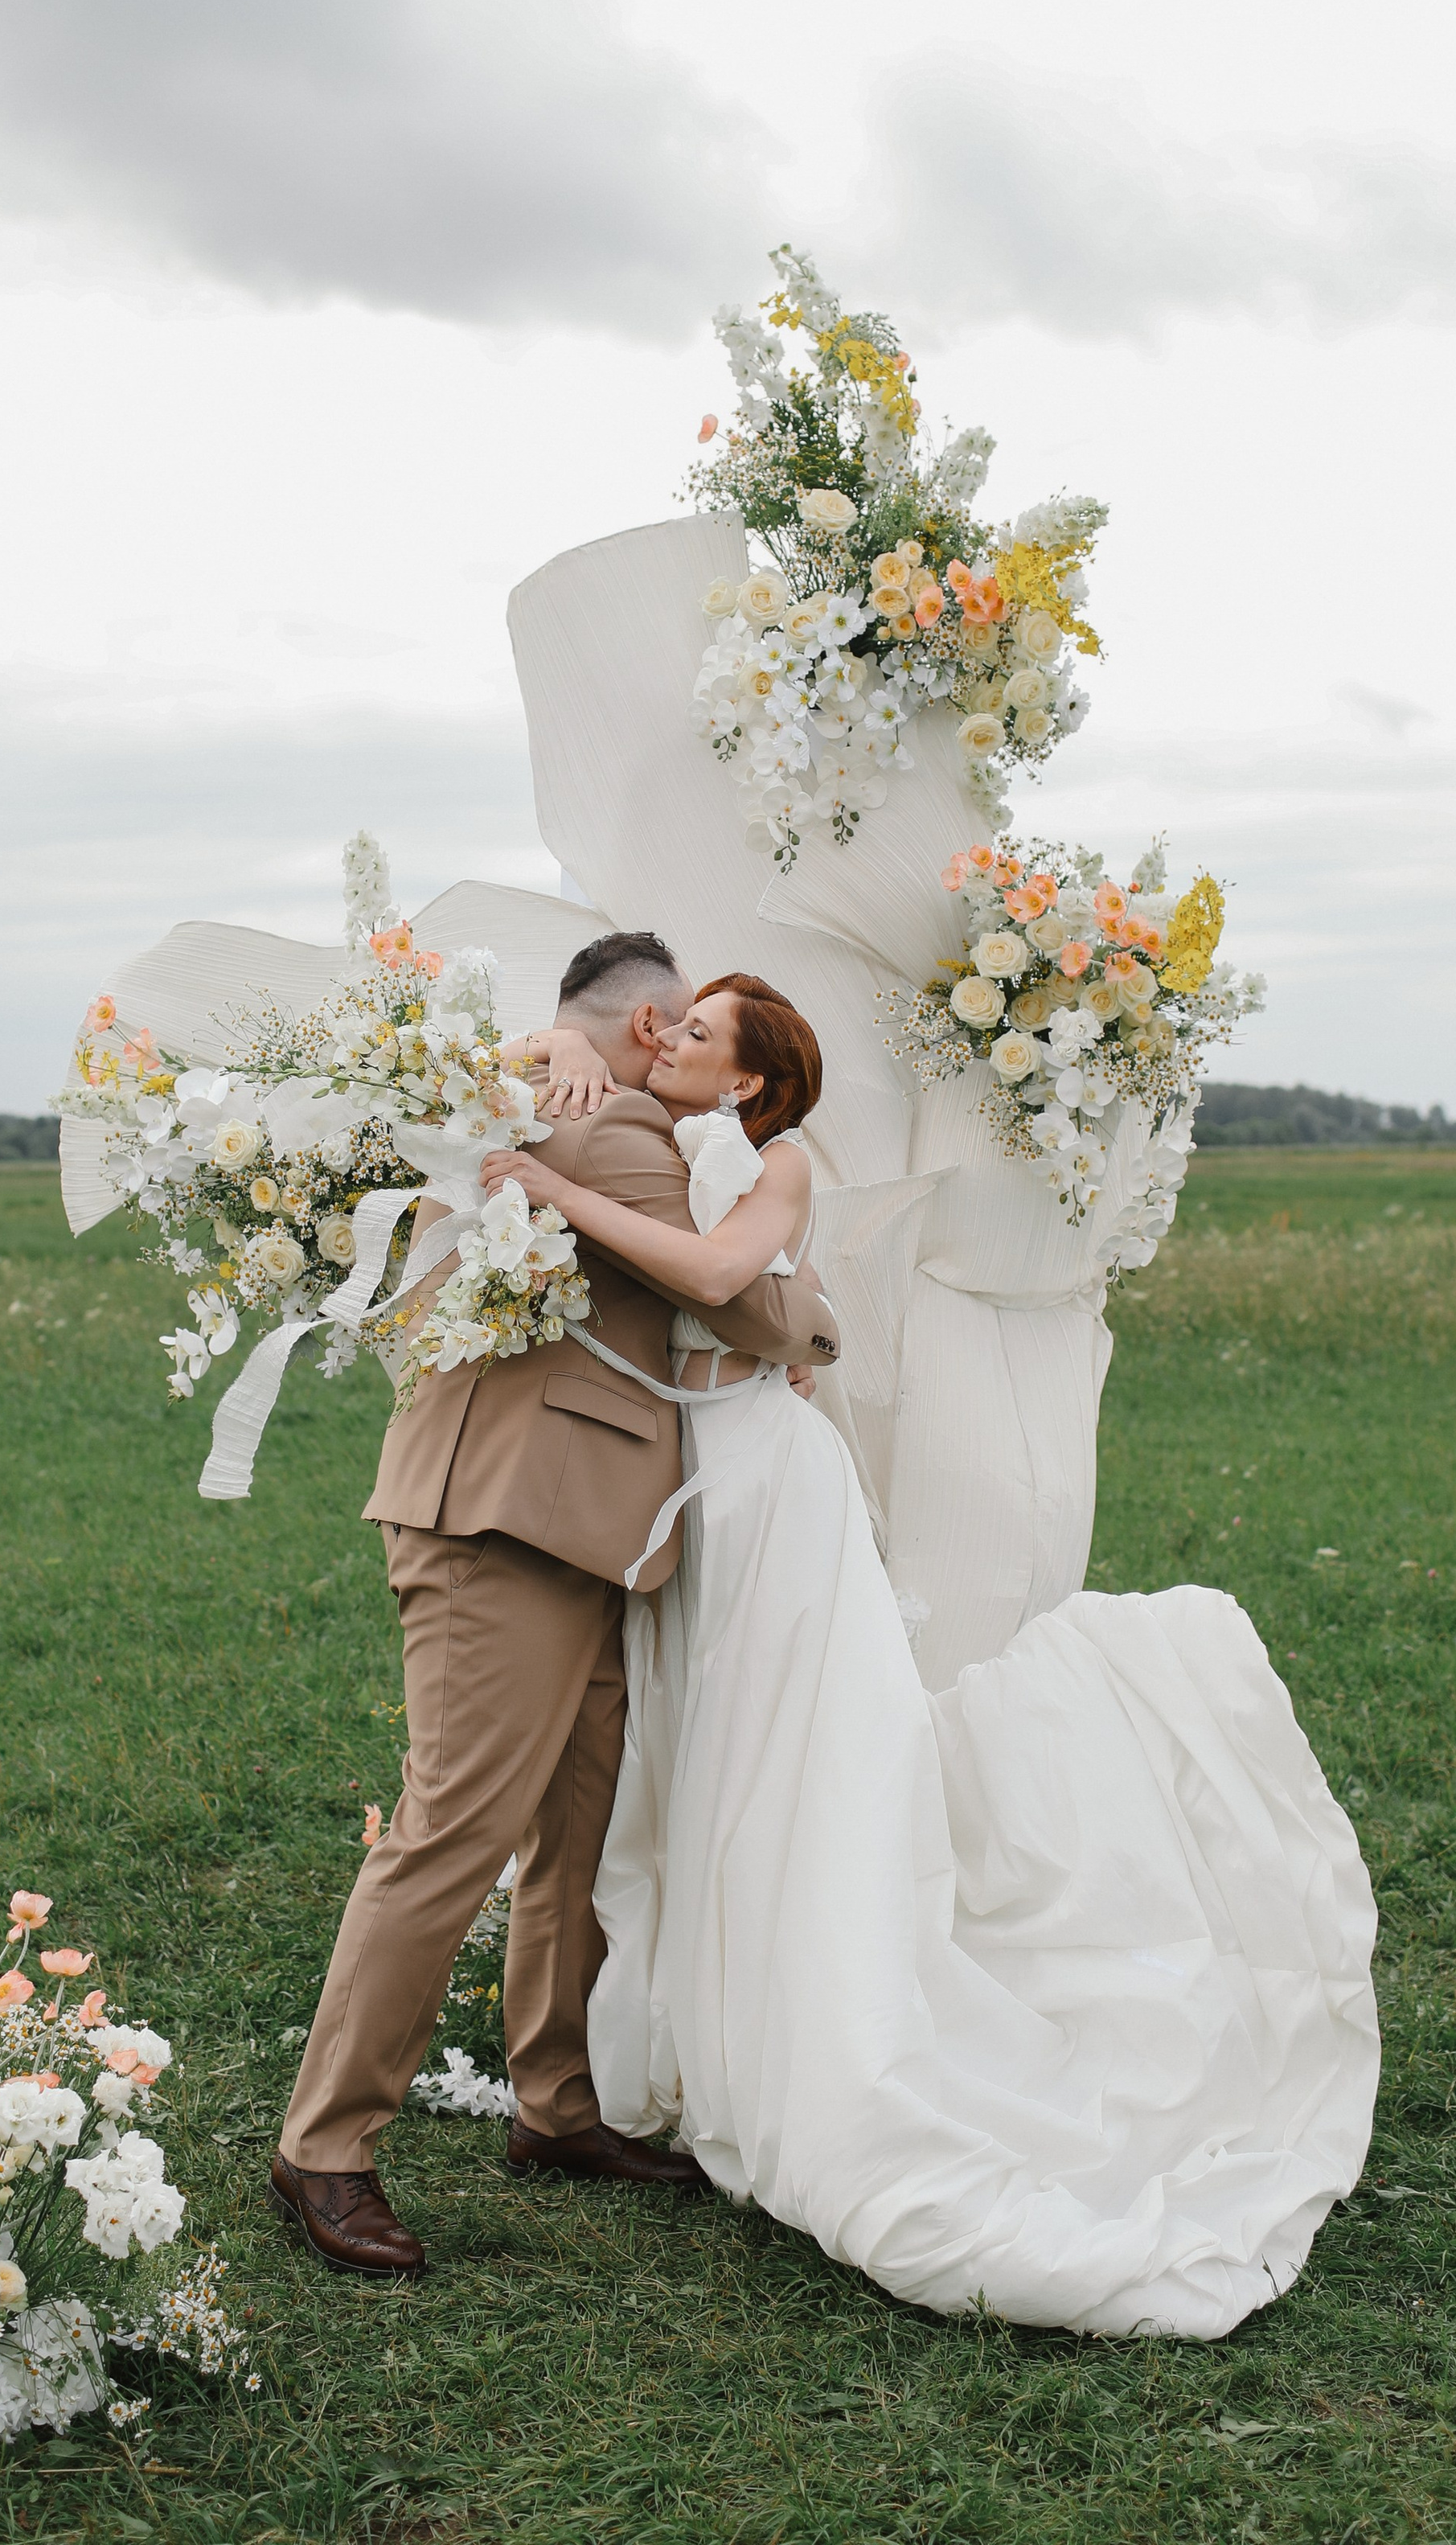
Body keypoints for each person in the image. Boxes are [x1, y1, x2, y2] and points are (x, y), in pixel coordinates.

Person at [481, 972, 1381, 2338]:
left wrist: (555, 1194)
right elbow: (541, 1076)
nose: (669, 1038)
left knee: (782, 1748)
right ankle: (700, 2018)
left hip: (763, 1484)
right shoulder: (651, 1123)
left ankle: (813, 2017)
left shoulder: (778, 1162)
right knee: (697, 1749)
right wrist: (556, 1044)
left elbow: (720, 1280)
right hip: (686, 1480)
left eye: (701, 1032)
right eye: (669, 1021)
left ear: (749, 1081)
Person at [269, 934, 840, 2277]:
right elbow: (752, 1306)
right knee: (454, 1830)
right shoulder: (617, 1135)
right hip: (507, 1524)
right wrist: (822, 1328)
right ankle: (324, 2147)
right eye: (678, 1023)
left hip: (585, 1527)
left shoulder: (543, 1095)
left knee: (578, 1828)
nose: (682, 1042)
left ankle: (559, 2106)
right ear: (645, 1028)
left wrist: (549, 1042)